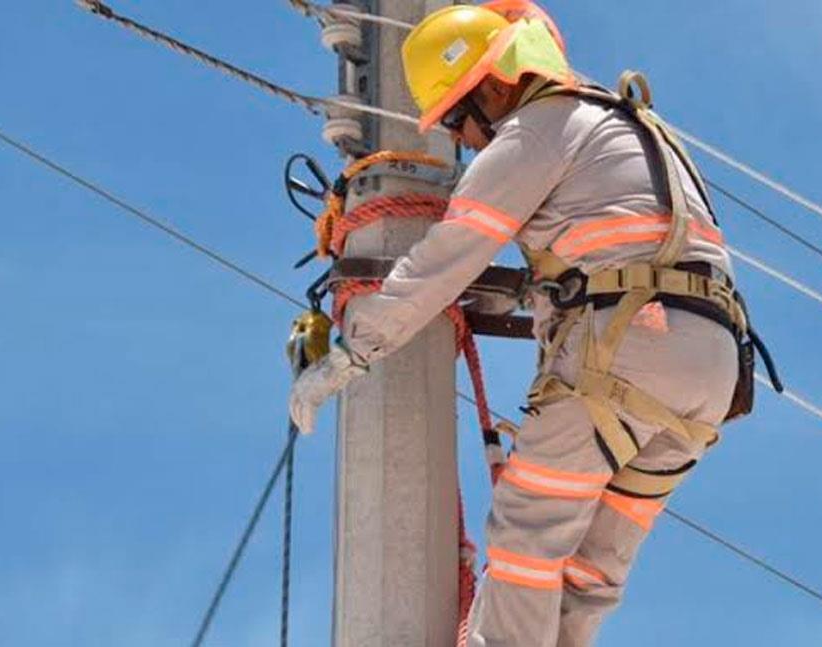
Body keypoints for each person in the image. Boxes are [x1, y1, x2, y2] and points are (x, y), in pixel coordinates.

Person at [290, 3, 760, 645]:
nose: (460, 138)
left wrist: (353, 349)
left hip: (626, 348)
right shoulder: (619, 125)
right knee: (590, 569)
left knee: (527, 537)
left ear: (495, 81)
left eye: (457, 116)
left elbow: (448, 255)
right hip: (709, 371)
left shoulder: (536, 131)